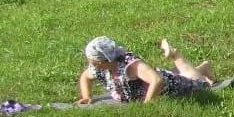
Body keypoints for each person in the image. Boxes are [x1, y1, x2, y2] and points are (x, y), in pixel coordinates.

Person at [78, 37, 215, 104]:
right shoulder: (99, 68)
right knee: (186, 73)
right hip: (160, 77)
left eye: (92, 60)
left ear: (103, 60)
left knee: (199, 82)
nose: (91, 63)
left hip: (170, 86)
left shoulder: (130, 65)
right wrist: (87, 96)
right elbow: (85, 77)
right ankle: (200, 67)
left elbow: (157, 80)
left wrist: (148, 104)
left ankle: (181, 58)